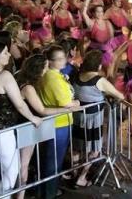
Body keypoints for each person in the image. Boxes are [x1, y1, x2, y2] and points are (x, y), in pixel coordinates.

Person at [0, 43, 41, 199]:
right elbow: (19, 103)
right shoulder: (4, 76)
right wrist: (33, 118)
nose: (9, 55)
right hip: (2, 132)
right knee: (11, 171)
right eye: (5, 53)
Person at [16, 54, 78, 199]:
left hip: (28, 125)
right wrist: (67, 110)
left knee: (28, 162)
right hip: (27, 126)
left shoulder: (23, 78)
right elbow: (42, 110)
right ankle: (20, 195)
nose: (46, 70)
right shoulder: (29, 87)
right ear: (38, 68)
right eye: (45, 67)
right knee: (23, 164)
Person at [70, 50, 124, 188]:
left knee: (77, 146)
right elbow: (120, 96)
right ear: (99, 66)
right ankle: (81, 177)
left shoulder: (76, 76)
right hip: (92, 119)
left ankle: (75, 172)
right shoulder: (99, 81)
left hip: (77, 116)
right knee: (93, 149)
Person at [36, 44, 78, 199]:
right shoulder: (52, 78)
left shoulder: (53, 75)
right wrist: (76, 104)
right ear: (50, 61)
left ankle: (47, 190)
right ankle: (49, 192)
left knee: (50, 159)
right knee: (53, 160)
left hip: (57, 123)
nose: (63, 61)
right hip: (58, 124)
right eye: (58, 59)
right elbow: (65, 103)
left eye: (63, 57)